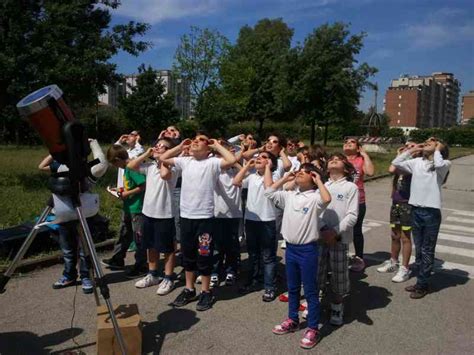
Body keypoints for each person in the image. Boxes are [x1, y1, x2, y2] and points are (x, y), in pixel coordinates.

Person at [158, 132, 237, 311]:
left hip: (205, 219)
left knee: (204, 254)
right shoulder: (185, 161)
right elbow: (163, 157)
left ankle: (206, 291)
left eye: (202, 140)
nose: (196, 142)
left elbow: (231, 160)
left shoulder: (213, 163)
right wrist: (180, 147)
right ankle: (189, 288)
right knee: (188, 254)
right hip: (186, 217)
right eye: (194, 139)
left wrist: (217, 145)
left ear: (208, 148)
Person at [265, 163, 331, 349]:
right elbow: (269, 192)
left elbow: (327, 199)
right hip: (291, 249)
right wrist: (286, 178)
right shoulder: (290, 195)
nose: (300, 173)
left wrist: (318, 180)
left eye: (305, 172)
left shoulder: (314, 197)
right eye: (299, 171)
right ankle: (292, 319)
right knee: (293, 288)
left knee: (310, 290)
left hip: (308, 250)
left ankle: (313, 328)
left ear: (313, 178)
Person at [39, 139, 109, 295]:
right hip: (64, 214)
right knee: (68, 250)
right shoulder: (60, 166)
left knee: (85, 251)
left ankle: (86, 277)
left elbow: (102, 164)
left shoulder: (86, 169)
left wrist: (94, 143)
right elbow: (41, 166)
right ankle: (69, 276)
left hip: (83, 215)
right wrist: (55, 151)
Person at [391, 138, 451, 299]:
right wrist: (412, 149)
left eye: (435, 141)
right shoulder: (417, 162)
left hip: (431, 212)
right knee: (419, 248)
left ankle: (423, 284)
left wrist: (437, 149)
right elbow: (396, 162)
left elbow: (438, 164)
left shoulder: (444, 164)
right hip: (415, 210)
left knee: (427, 249)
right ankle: (420, 280)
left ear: (441, 148)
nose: (429, 141)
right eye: (428, 141)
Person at [127, 137, 178, 295]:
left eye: (163, 147)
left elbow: (164, 175)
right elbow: (130, 165)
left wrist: (164, 158)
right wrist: (147, 153)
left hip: (165, 214)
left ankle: (168, 277)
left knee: (168, 248)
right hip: (148, 212)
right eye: (157, 145)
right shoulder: (149, 166)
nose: (157, 148)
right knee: (151, 245)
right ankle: (153, 274)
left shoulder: (173, 168)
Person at [317, 153, 359, 326]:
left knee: (339, 276)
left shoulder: (350, 187)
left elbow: (352, 215)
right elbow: (315, 211)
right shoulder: (322, 185)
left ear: (346, 167)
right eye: (330, 159)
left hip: (339, 239)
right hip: (320, 237)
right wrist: (323, 229)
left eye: (338, 159)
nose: (333, 159)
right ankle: (315, 304)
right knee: (317, 274)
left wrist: (334, 232)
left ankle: (337, 306)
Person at [233, 151, 280, 301]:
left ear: (271, 163)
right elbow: (236, 181)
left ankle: (269, 286)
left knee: (268, 256)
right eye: (258, 156)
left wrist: (268, 168)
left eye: (265, 157)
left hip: (267, 220)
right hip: (251, 220)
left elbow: (268, 187)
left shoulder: (275, 177)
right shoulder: (252, 177)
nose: (259, 158)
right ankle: (253, 280)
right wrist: (247, 166)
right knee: (253, 254)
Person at [102, 145, 147, 278]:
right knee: (124, 232)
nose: (116, 167)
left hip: (136, 207)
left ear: (118, 159)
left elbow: (143, 186)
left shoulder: (130, 168)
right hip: (128, 206)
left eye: (115, 163)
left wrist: (127, 193)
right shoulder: (126, 168)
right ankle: (118, 258)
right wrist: (119, 190)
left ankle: (141, 265)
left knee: (138, 237)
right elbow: (130, 185)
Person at [377, 142, 418, 282]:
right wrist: (400, 155)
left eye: (412, 146)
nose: (407, 147)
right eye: (406, 145)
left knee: (405, 238)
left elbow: (391, 168)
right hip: (396, 204)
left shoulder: (415, 165)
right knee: (395, 235)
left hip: (407, 205)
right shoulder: (403, 162)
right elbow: (394, 168)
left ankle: (405, 268)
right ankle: (393, 262)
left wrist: (402, 155)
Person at [212, 140, 243, 287]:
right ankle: (215, 271)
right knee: (216, 245)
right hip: (216, 212)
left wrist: (233, 159)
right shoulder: (214, 166)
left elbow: (243, 170)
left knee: (232, 244)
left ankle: (232, 269)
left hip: (234, 212)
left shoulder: (236, 168)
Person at [343, 138, 374, 272]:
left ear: (358, 147)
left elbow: (370, 172)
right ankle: (340, 257)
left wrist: (365, 154)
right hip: (340, 200)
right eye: (346, 142)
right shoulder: (340, 160)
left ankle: (359, 258)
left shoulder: (361, 160)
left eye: (352, 142)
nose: (348, 143)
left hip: (357, 200)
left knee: (356, 230)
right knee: (340, 230)